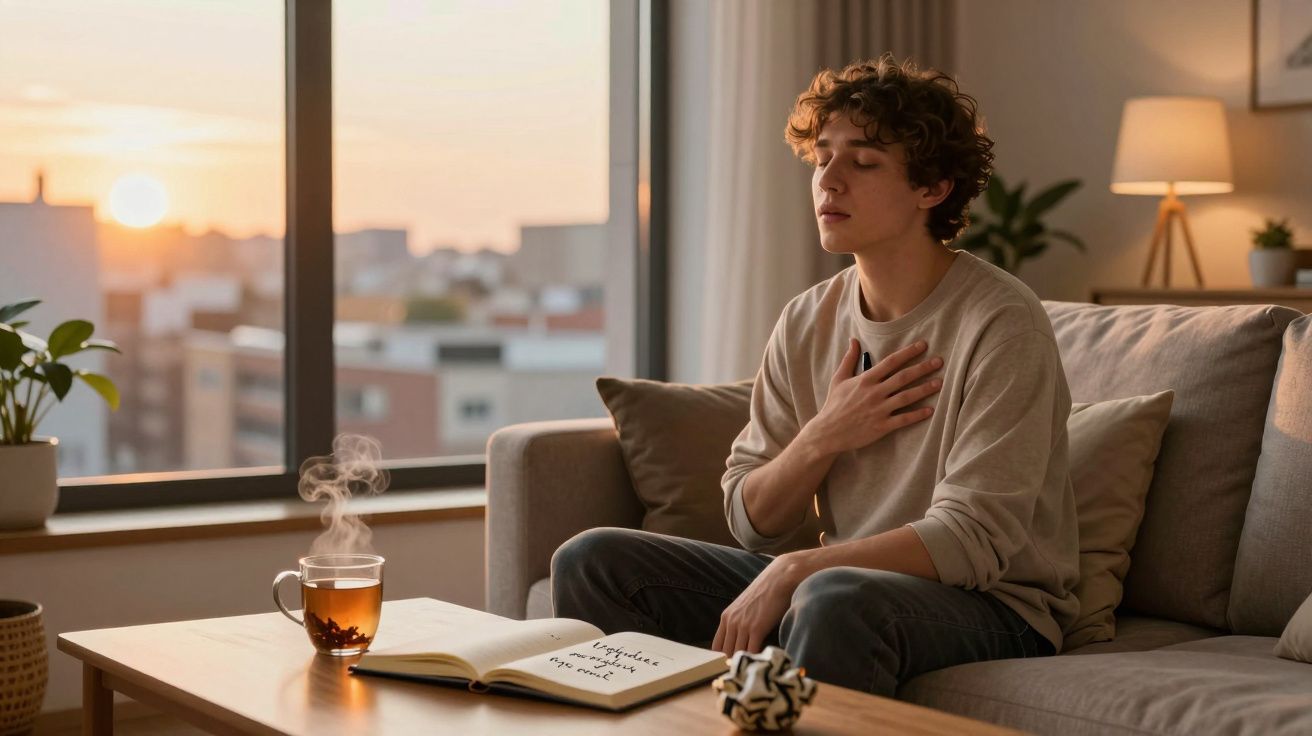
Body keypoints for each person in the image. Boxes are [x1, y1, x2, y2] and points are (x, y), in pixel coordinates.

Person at [551, 54, 1079, 697]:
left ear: (933, 188)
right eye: (822, 157)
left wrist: (795, 569)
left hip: (994, 606)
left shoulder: (1002, 322)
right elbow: (752, 520)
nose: (828, 180)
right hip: (842, 588)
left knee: (831, 597)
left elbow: (974, 540)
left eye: (863, 162)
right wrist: (824, 435)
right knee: (594, 561)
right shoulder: (807, 318)